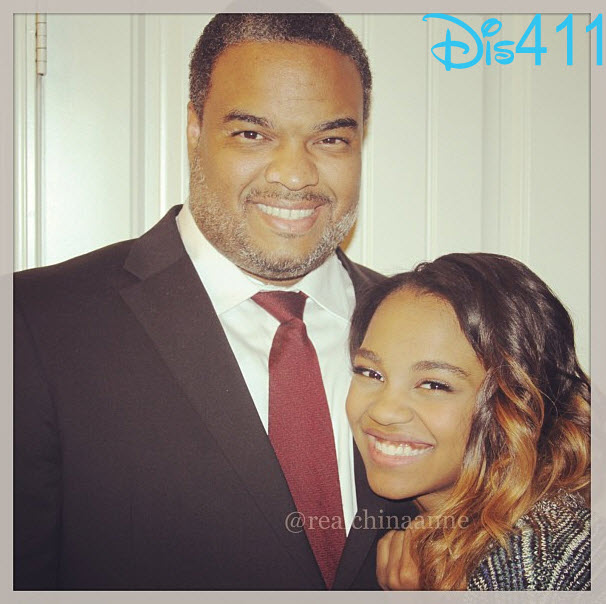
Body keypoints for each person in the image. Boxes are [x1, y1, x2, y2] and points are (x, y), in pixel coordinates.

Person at [13, 13, 416, 590]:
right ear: (194, 130)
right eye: (253, 134)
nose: (295, 175)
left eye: (330, 139)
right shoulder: (34, 322)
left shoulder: (432, 328)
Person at [346, 252, 590, 591]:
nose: (383, 411)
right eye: (370, 373)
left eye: (434, 385)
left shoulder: (534, 557)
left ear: (518, 401)